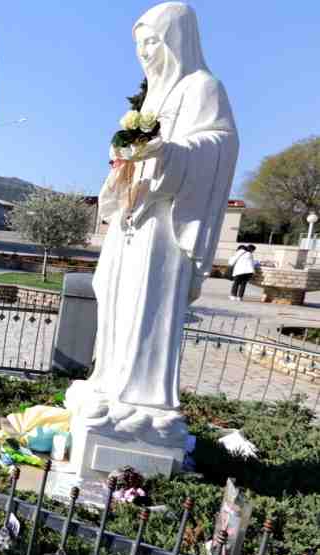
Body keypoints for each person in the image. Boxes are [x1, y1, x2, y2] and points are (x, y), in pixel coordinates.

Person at [80, 2, 239, 412]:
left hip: (163, 225)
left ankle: (138, 398)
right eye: (140, 44)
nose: (145, 51)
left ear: (176, 40)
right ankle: (109, 379)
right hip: (134, 215)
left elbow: (220, 145)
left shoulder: (203, 87)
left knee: (143, 305)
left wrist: (167, 153)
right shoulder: (154, 96)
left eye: (153, 41)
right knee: (113, 291)